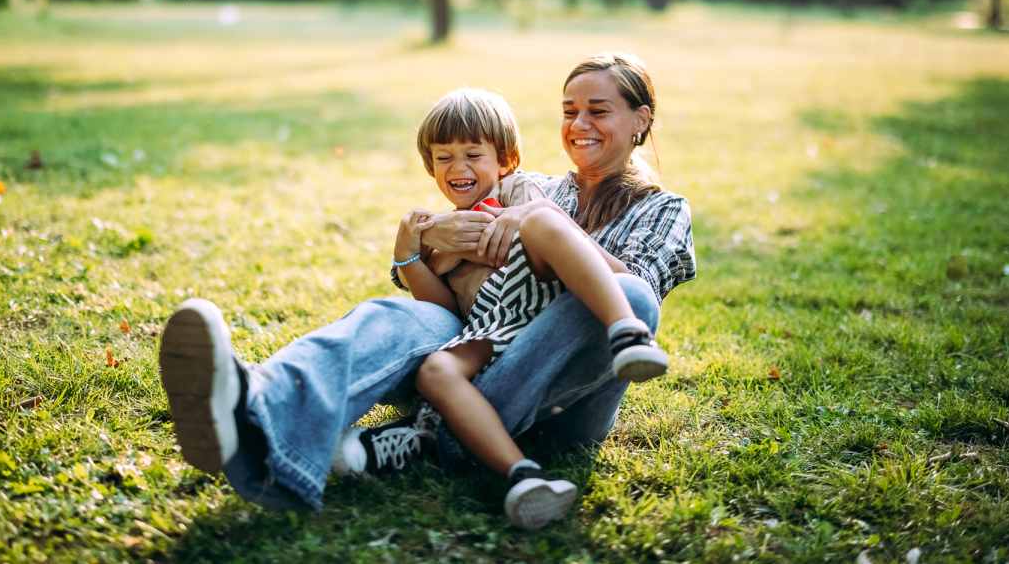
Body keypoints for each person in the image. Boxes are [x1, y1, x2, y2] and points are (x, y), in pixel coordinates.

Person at [157, 52, 696, 521]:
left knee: (631, 299)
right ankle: (254, 410)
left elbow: (639, 285)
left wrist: (541, 226)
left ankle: (431, 438)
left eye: (597, 111)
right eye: (569, 111)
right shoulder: (531, 185)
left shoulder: (661, 208)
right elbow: (447, 276)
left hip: (560, 398)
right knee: (395, 316)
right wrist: (418, 241)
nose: (579, 123)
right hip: (482, 348)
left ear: (640, 120)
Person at [336, 87, 669, 528]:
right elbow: (444, 309)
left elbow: (550, 228)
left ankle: (626, 331)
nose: (458, 168)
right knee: (434, 370)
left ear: (505, 159)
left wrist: (509, 221)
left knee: (545, 220)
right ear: (429, 166)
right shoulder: (445, 230)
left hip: (539, 313)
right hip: (491, 324)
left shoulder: (520, 187)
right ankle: (520, 474)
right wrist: (412, 256)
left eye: (473, 154)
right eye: (444, 158)